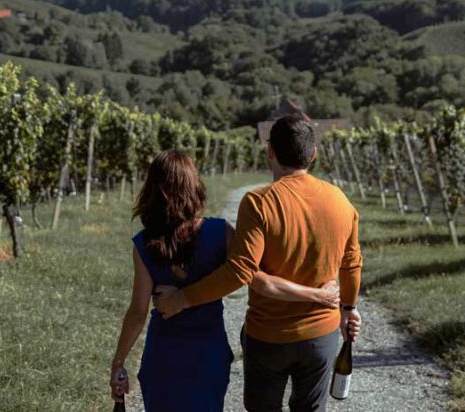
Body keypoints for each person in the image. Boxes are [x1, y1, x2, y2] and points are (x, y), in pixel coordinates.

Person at [155, 116, 363, 412]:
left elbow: (240, 271)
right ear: (313, 154)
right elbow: (352, 263)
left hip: (268, 337)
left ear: (270, 152)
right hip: (322, 335)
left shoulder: (259, 202)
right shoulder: (341, 201)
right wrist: (348, 309)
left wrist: (183, 299)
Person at [108, 150, 340, 412]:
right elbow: (256, 278)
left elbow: (137, 313)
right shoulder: (220, 233)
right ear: (193, 186)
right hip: (208, 354)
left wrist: (119, 361)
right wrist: (316, 294)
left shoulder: (143, 245)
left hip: (163, 355)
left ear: (151, 189)